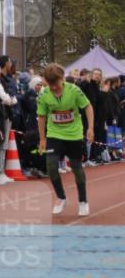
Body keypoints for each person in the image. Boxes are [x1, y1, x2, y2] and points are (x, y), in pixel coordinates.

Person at [37, 62, 94, 216]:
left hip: (74, 134)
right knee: (51, 166)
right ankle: (61, 197)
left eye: (56, 83)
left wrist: (90, 128)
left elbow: (88, 107)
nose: (54, 87)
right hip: (54, 134)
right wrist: (42, 139)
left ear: (62, 78)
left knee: (76, 167)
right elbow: (41, 117)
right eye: (50, 84)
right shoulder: (43, 94)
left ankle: (83, 201)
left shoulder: (74, 90)